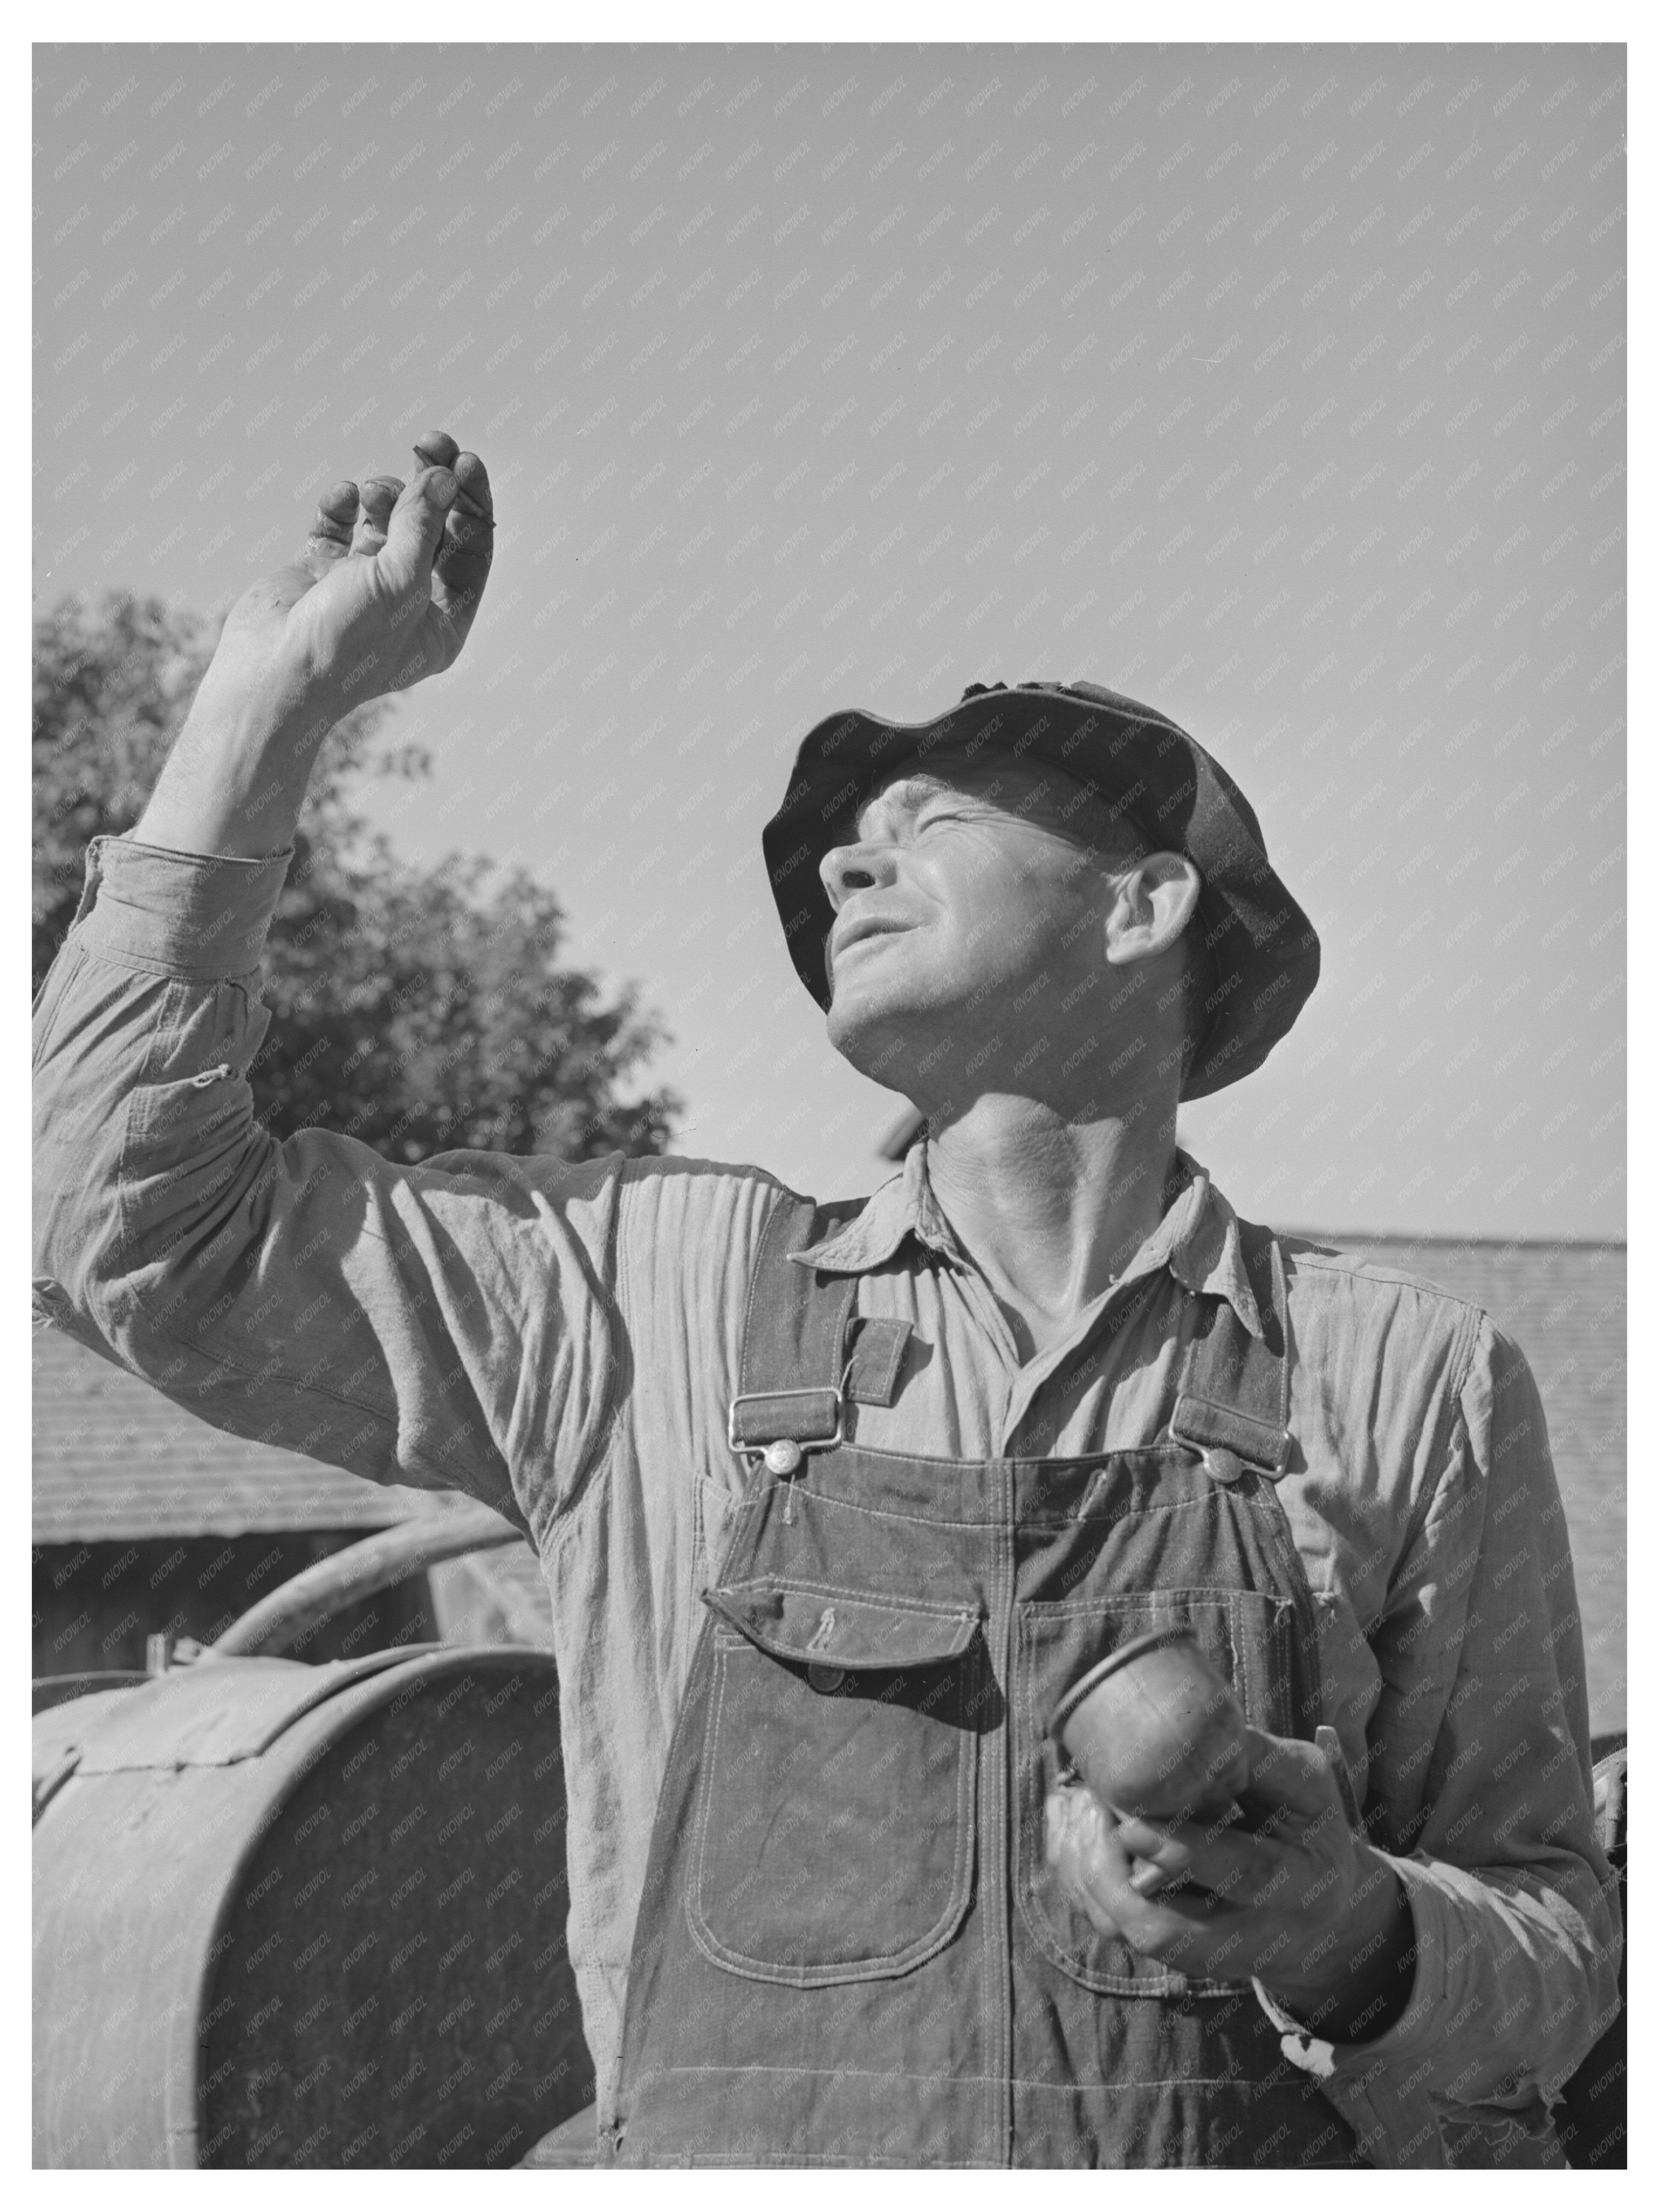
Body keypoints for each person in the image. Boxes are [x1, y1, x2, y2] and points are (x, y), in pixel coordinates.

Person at [31, 433, 1617, 2169]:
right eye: (841, 847)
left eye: (928, 819)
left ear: (1145, 905)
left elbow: (1562, 1953)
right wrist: (270, 707)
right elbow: (127, 1227)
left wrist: (1350, 1929)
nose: (851, 861)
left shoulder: (1409, 1376)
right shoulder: (655, 1295)